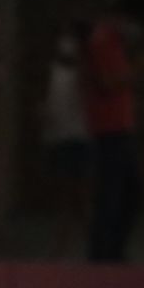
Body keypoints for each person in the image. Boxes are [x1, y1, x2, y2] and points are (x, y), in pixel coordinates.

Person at [82, 0, 144, 263]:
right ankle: (104, 255)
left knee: (126, 192)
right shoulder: (103, 41)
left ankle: (110, 251)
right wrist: (138, 70)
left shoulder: (114, 42)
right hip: (109, 129)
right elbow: (108, 83)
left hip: (119, 128)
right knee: (113, 195)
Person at [42, 21, 90, 258]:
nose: (66, 44)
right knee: (65, 196)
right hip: (58, 139)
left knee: (76, 196)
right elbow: (51, 104)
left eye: (70, 39)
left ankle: (64, 249)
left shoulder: (85, 71)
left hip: (78, 138)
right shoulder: (54, 70)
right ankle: (66, 246)